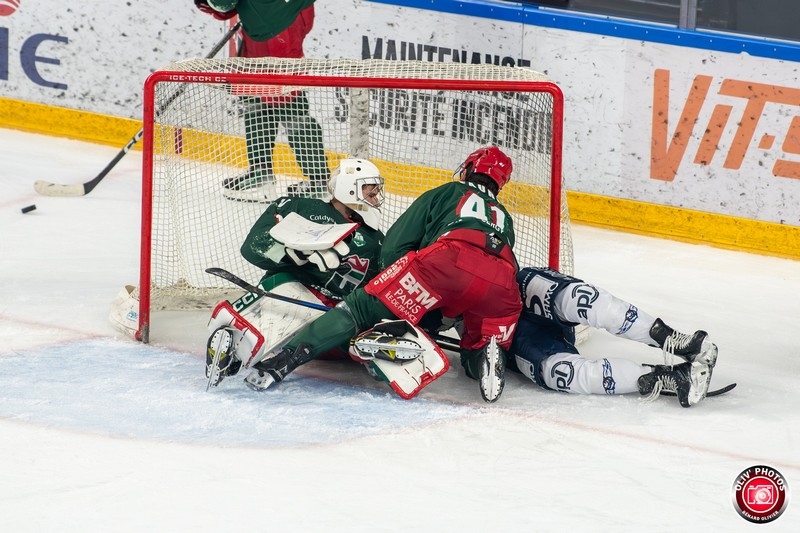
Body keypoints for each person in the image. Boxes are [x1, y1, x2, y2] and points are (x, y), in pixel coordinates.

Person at [241, 146, 523, 403]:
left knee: (361, 308)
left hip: (448, 260)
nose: (376, 198)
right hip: (503, 283)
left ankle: (284, 360)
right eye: (370, 191)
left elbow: (396, 249)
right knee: (479, 341)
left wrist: (402, 282)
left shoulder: (447, 192)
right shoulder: (504, 216)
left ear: (470, 168)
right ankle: (484, 356)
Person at [205, 158, 385, 386]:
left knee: (354, 325)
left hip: (334, 319)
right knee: (283, 286)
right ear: (350, 188)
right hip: (290, 294)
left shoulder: (377, 240)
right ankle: (233, 342)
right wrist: (290, 252)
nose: (376, 197)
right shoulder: (301, 208)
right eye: (371, 190)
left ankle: (244, 342)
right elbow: (252, 247)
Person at [510, 266, 719, 407]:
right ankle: (664, 377)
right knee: (561, 373)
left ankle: (673, 340)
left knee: (587, 301)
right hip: (509, 340)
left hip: (512, 288)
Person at [194, 0, 329, 202]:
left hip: (277, 24)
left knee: (288, 101)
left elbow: (223, 3)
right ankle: (261, 171)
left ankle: (318, 179)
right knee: (255, 98)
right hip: (267, 21)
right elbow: (226, 6)